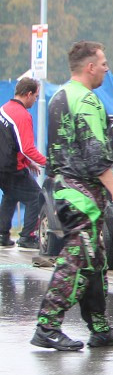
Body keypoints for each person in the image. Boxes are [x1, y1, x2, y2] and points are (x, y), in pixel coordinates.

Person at [30, 41, 113, 352]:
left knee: (96, 261)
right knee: (78, 258)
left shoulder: (59, 96)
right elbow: (95, 154)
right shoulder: (87, 102)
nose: (106, 68)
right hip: (82, 195)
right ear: (89, 67)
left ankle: (100, 328)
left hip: (63, 188)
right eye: (103, 63)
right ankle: (47, 325)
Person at [0, 77, 47, 249]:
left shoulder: (4, 109)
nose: (35, 100)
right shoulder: (22, 115)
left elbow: (12, 143)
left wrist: (29, 163)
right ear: (28, 94)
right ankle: (28, 236)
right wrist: (47, 163)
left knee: (11, 195)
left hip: (3, 167)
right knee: (36, 197)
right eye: (36, 96)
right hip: (11, 169)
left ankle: (2, 234)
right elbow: (27, 148)